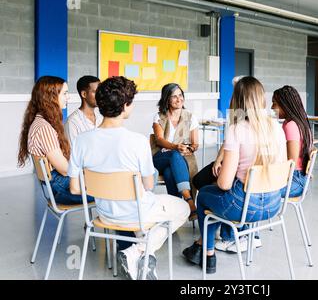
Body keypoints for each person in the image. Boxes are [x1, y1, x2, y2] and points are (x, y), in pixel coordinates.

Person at [68, 76, 190, 280]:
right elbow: (149, 185)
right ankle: (138, 251)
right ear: (125, 106)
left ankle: (137, 249)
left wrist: (105, 188)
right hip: (137, 215)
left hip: (105, 215)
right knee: (183, 208)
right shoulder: (137, 142)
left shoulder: (81, 141)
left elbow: (74, 188)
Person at [182, 76, 287, 274]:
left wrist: (225, 168)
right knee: (214, 193)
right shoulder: (276, 127)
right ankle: (201, 247)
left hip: (244, 206)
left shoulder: (237, 130)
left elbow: (224, 184)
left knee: (204, 194)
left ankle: (208, 254)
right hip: (273, 205)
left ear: (237, 101)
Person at [17, 76, 94, 205]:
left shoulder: (40, 122)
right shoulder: (44, 128)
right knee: (110, 190)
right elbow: (64, 169)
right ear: (50, 97)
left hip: (55, 186)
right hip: (61, 189)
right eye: (65, 93)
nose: (68, 97)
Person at [151, 83, 199, 221]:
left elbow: (195, 144)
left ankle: (176, 212)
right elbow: (159, 140)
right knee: (174, 154)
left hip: (179, 158)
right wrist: (176, 147)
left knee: (169, 172)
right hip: (160, 157)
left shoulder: (190, 117)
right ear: (166, 99)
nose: (179, 99)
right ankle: (189, 201)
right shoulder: (159, 116)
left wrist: (189, 148)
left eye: (180, 95)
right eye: (174, 96)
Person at [271, 85, 313, 197]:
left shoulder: (291, 125)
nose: (272, 107)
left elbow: (292, 162)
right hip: (298, 178)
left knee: (259, 189)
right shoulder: (299, 123)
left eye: (274, 103)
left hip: (294, 180)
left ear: (285, 105)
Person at [64, 75, 102, 146]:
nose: (100, 95)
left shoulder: (101, 118)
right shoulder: (72, 122)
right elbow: (72, 153)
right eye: (96, 92)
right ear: (84, 94)